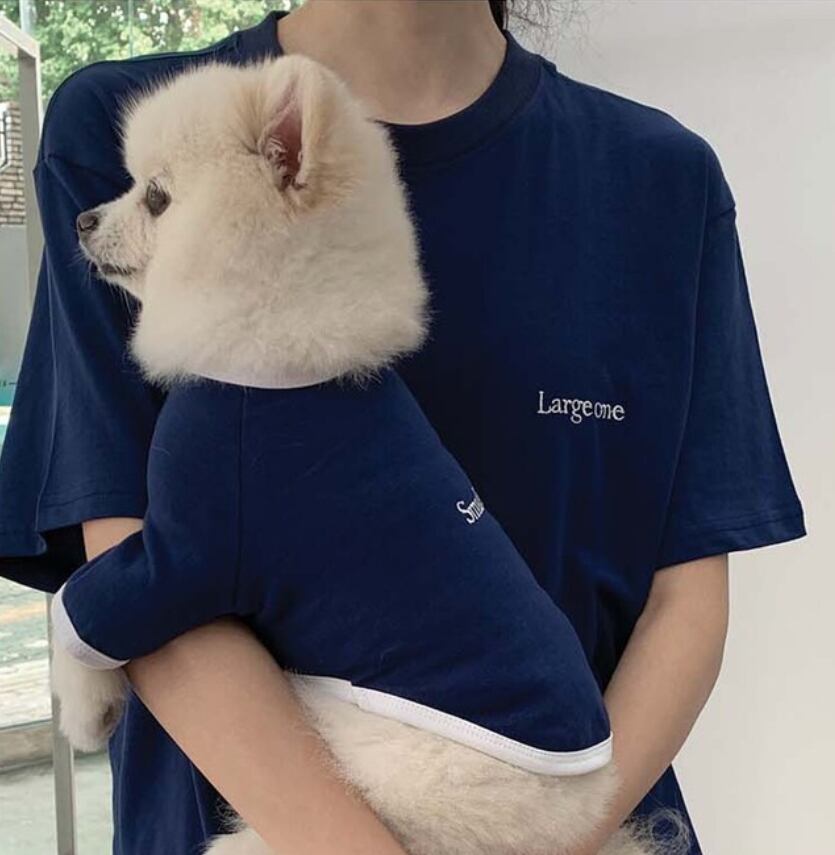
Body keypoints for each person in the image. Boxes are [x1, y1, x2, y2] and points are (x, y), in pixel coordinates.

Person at [0, 2, 805, 854]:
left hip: (570, 821)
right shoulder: (124, 125)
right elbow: (137, 558)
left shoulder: (659, 178)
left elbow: (685, 603)